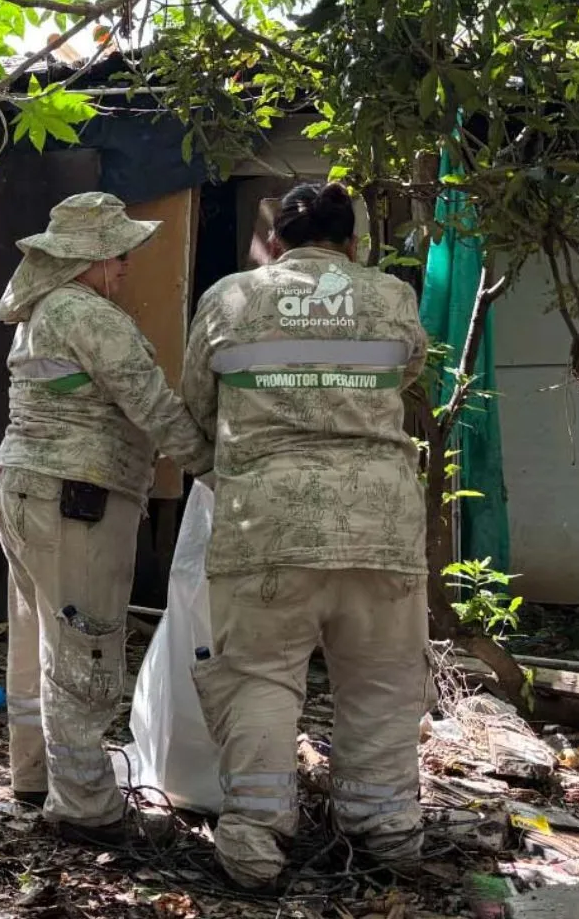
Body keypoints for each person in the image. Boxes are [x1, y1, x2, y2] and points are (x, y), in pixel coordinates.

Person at [180, 181, 430, 891]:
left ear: (278, 244)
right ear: (353, 243)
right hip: (379, 528)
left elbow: (199, 403)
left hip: (266, 526)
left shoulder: (230, 298)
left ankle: (255, 845)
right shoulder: (391, 297)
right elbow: (408, 372)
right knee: (381, 681)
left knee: (259, 679)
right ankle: (385, 833)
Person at [0, 192, 214, 846]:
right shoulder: (88, 315)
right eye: (118, 254)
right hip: (78, 498)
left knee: (37, 642)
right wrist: (212, 465)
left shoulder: (39, 313)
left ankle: (35, 776)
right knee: (85, 647)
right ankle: (86, 806)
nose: (124, 268)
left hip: (25, 488)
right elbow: (150, 403)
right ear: (88, 257)